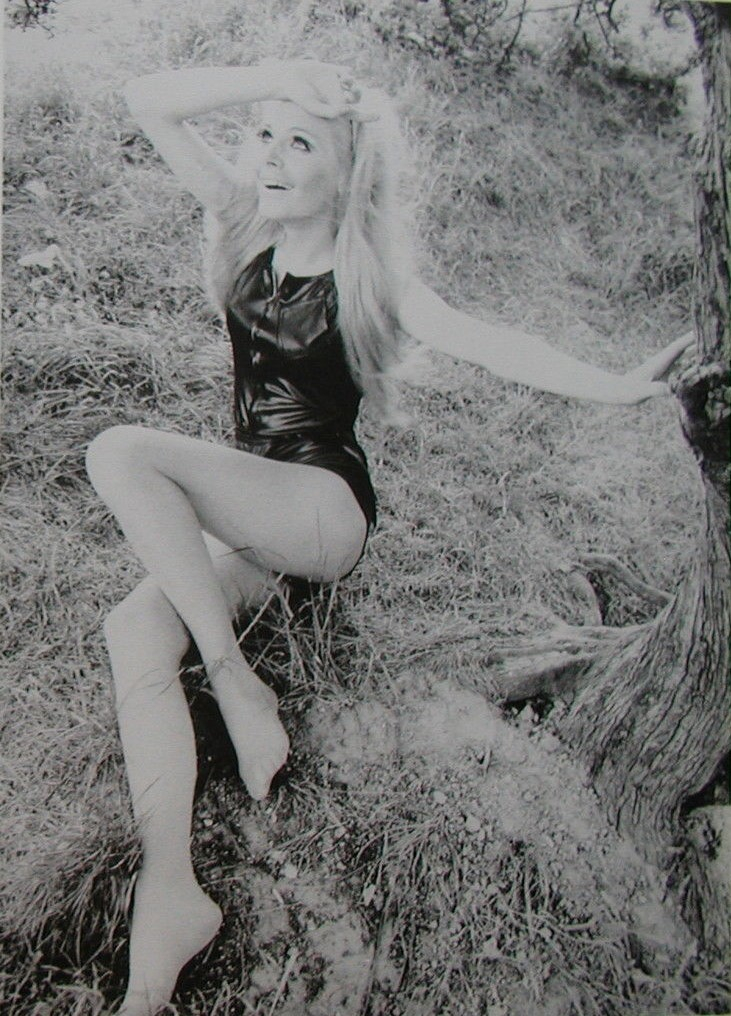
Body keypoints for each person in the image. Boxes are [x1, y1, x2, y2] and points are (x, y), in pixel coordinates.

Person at [84, 59, 691, 1016]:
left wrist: (618, 386)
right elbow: (145, 101)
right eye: (263, 135)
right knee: (132, 631)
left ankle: (236, 684)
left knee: (121, 451)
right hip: (255, 511)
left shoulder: (371, 277)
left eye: (300, 143)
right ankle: (172, 895)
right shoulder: (246, 223)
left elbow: (499, 344)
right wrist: (277, 76)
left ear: (348, 172)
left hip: (321, 510)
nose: (270, 158)